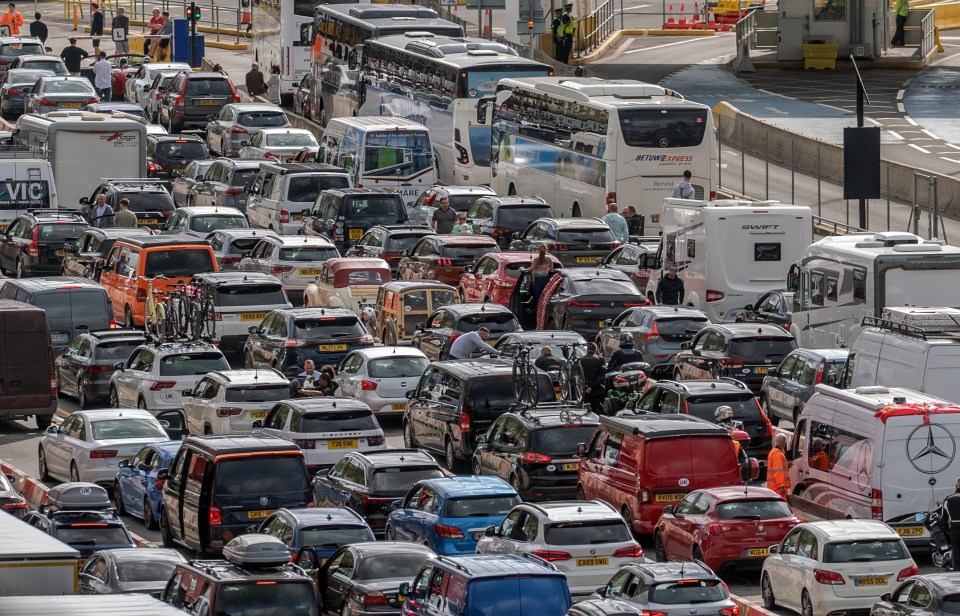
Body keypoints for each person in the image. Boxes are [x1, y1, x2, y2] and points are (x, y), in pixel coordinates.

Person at [580, 342, 605, 414]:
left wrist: (586, 387)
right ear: (596, 350)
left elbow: (578, 376)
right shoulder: (600, 359)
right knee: (599, 412)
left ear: (587, 350)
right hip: (597, 390)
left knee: (587, 412)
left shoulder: (581, 360)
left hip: (585, 391)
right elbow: (602, 375)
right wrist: (592, 386)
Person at [941, 478, 960, 570]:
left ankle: (957, 574)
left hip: (954, 528)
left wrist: (948, 531)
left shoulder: (949, 499)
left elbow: (944, 518)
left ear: (956, 486)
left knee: (956, 552)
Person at [767, 433, 790, 500]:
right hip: (778, 489)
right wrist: (781, 486)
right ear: (784, 442)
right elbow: (778, 472)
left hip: (773, 487)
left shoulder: (773, 452)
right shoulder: (778, 454)